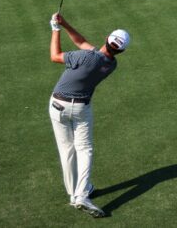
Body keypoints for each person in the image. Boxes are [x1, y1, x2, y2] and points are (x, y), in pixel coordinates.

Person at [48, 12, 130, 218]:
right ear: (121, 50)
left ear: (106, 39)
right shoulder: (110, 64)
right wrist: (65, 23)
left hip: (57, 105)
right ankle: (81, 194)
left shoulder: (84, 57)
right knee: (84, 149)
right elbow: (82, 42)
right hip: (80, 108)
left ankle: (74, 193)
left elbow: (55, 56)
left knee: (67, 150)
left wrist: (55, 30)